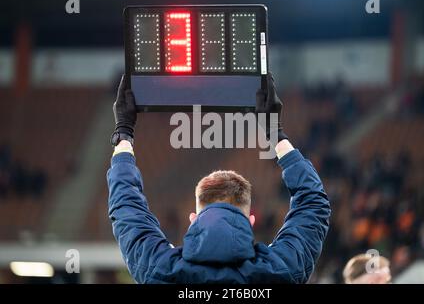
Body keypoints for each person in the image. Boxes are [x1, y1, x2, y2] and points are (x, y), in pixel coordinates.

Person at [107, 74, 331, 283]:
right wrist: (275, 133)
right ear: (250, 221)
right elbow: (313, 203)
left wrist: (124, 133)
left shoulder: (162, 270)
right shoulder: (280, 270)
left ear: (193, 219)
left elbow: (126, 208)